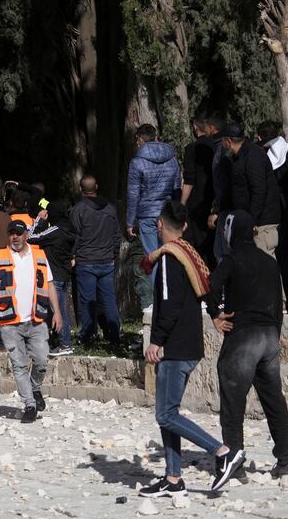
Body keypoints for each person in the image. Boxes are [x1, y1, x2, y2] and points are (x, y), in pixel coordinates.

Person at [138, 201, 242, 496]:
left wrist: (156, 340)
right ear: (183, 227)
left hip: (176, 346)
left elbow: (168, 305)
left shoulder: (171, 258)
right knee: (168, 411)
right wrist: (215, 314)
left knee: (165, 414)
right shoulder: (190, 253)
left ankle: (222, 452)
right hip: (189, 343)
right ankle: (173, 479)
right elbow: (205, 288)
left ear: (159, 224)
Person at [205, 209, 288, 479]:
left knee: (233, 403)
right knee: (274, 400)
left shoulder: (231, 260)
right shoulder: (269, 262)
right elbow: (279, 305)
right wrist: (274, 335)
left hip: (243, 338)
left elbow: (210, 286)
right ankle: (285, 461)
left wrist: (216, 315)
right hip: (269, 338)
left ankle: (235, 462)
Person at [0, 220, 61, 422]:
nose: (14, 237)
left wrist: (57, 312)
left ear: (26, 235)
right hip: (8, 321)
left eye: (18, 233)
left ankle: (35, 388)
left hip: (36, 318)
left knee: (42, 360)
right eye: (11, 233)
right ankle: (30, 405)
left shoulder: (39, 255)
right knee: (19, 365)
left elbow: (50, 285)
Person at [213, 121, 283, 261]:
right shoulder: (238, 157)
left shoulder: (253, 156)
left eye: (222, 141)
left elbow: (259, 190)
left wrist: (251, 220)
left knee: (265, 267)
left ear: (228, 141)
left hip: (261, 224)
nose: (222, 144)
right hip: (252, 221)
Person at [70, 175, 122, 345]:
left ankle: (87, 335)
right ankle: (114, 332)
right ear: (97, 186)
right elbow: (116, 234)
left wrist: (73, 254)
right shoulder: (110, 208)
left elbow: (75, 236)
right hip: (106, 260)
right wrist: (113, 252)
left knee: (87, 300)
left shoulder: (78, 209)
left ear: (80, 189)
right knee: (108, 298)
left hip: (86, 261)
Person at [127, 124, 181, 278]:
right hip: (167, 213)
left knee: (152, 258)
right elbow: (177, 188)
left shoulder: (136, 162)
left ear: (139, 139)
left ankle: (158, 298)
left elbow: (133, 194)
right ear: (155, 137)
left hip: (147, 215)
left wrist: (130, 222)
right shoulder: (172, 159)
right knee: (171, 255)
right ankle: (171, 295)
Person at [258, 121, 288, 311]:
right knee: (284, 259)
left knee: (283, 258)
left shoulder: (264, 154)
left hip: (279, 214)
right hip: (285, 213)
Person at [30, 201, 76, 356]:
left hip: (54, 276)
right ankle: (59, 341)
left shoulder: (55, 231)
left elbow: (31, 237)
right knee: (60, 309)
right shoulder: (69, 228)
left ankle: (65, 343)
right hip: (64, 274)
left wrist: (39, 220)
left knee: (59, 310)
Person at [181, 114, 222, 266]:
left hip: (197, 203)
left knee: (198, 248)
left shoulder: (192, 149)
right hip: (217, 200)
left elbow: (189, 179)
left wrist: (183, 202)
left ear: (195, 128)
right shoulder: (218, 146)